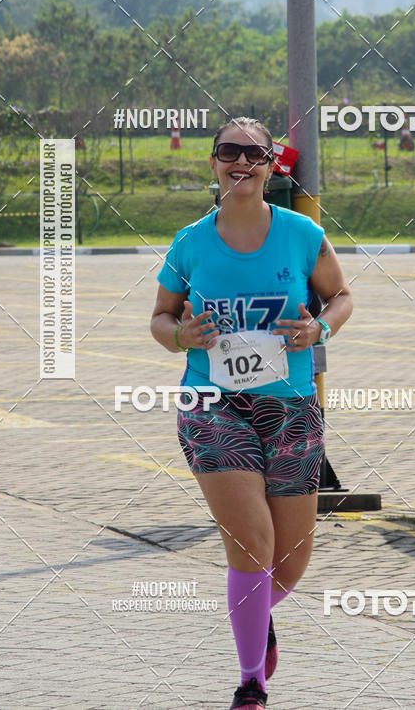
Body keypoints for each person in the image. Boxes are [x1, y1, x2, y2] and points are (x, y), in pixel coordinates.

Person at [150, 117, 353, 709]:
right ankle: (250, 685)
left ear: (271, 166)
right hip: (212, 405)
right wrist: (181, 335)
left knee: (286, 565)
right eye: (228, 151)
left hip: (290, 408)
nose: (240, 161)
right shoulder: (190, 243)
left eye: (253, 153)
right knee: (252, 545)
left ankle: (255, 612)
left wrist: (319, 329)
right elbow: (160, 319)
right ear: (213, 163)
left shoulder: (302, 234)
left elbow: (341, 297)